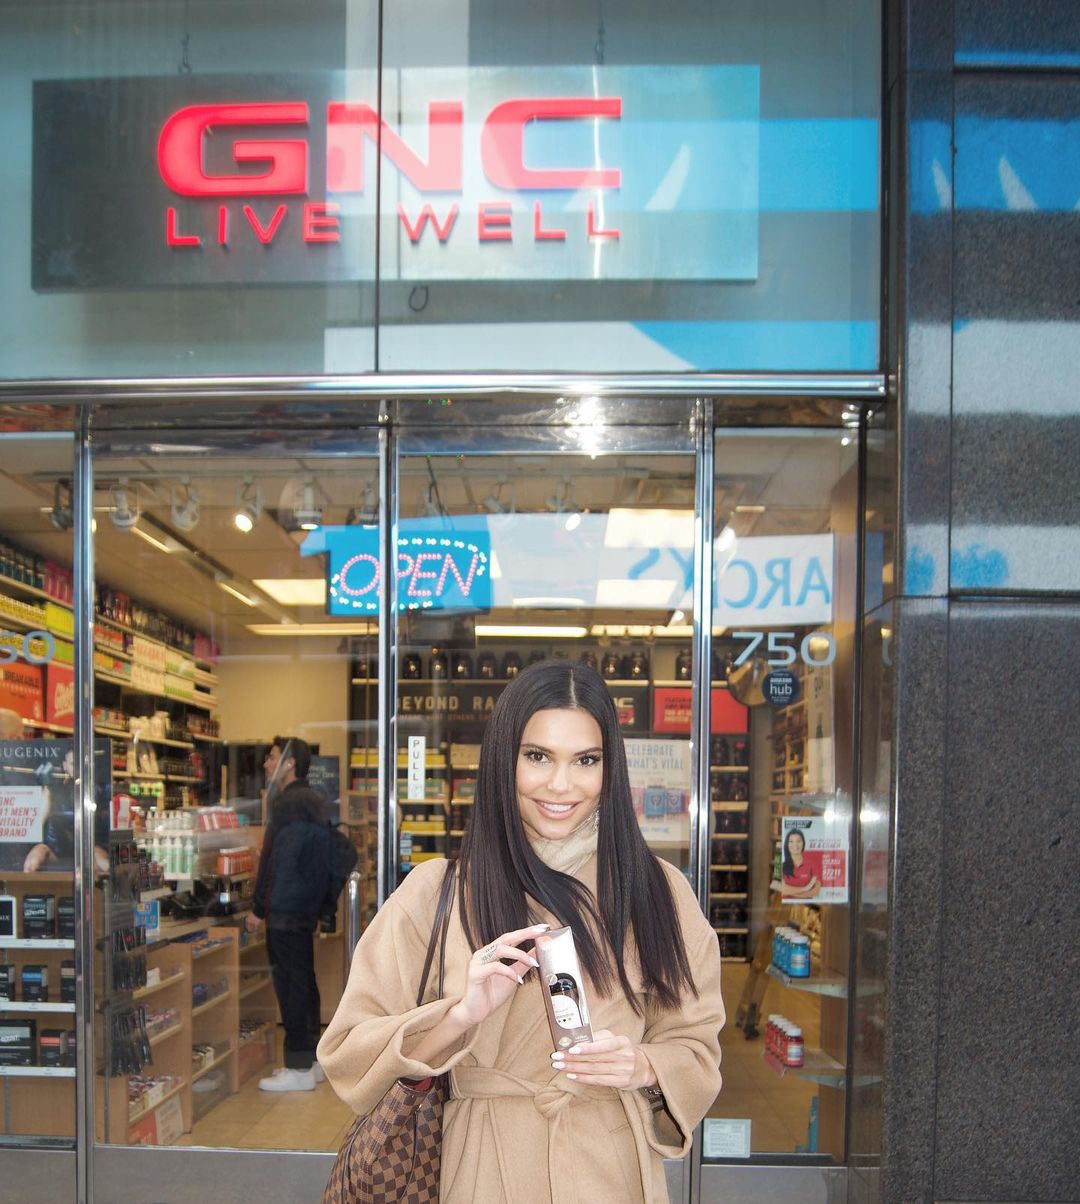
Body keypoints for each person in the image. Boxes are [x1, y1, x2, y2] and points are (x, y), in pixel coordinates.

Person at [318, 662, 725, 1203]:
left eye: (586, 760)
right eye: (537, 756)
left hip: (610, 1170)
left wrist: (644, 1064)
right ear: (503, 760)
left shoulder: (658, 891)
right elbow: (349, 1052)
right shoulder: (438, 891)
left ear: (610, 768)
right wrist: (459, 1015)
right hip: (479, 1169)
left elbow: (696, 1047)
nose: (561, 784)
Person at [247, 736, 332, 1092]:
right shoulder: (314, 800)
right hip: (304, 907)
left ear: (290, 763)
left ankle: (298, 1067)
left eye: (271, 758)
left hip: (284, 909)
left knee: (291, 987)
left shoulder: (286, 804)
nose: (267, 765)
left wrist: (258, 907)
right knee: (304, 982)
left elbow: (276, 861)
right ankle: (312, 1060)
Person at [781, 828, 820, 898]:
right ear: (787, 844)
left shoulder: (812, 864)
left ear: (803, 843)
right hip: (785, 904)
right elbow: (779, 888)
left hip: (807, 904)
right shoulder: (781, 866)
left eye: (798, 841)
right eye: (791, 841)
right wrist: (805, 888)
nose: (795, 844)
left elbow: (816, 892)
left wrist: (789, 891)